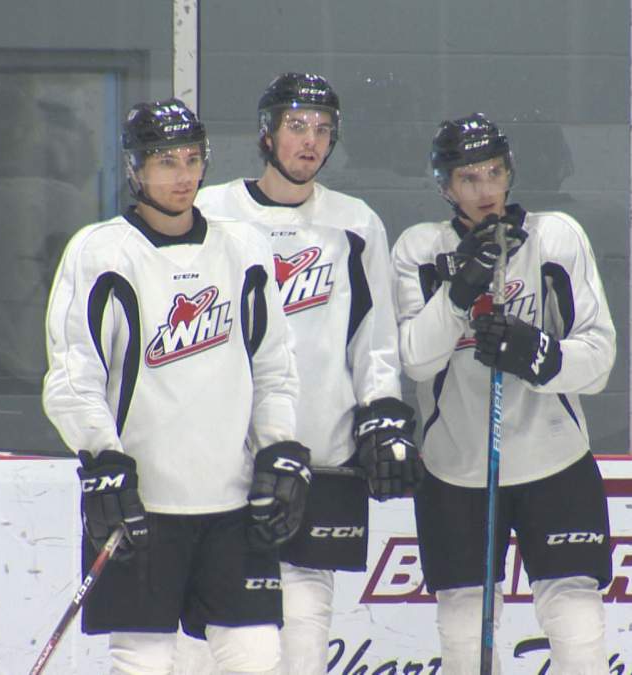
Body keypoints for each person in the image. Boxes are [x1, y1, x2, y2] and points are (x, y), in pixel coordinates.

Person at [42, 98, 310, 675]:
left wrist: (280, 447)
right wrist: (102, 455)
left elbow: (273, 367)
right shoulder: (101, 251)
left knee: (259, 658)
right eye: (166, 161)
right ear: (136, 169)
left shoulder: (242, 248)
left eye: (192, 159)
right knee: (144, 661)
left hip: (235, 502)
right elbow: (72, 378)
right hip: (142, 506)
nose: (183, 175)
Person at [175, 72, 422, 674]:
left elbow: (375, 341)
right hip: (225, 462)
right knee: (213, 647)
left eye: (322, 130)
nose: (310, 141)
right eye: (296, 126)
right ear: (266, 134)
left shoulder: (354, 222)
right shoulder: (213, 213)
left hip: (321, 456)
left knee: (303, 647)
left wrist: (382, 411)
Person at [390, 113, 615, 674]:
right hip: (456, 468)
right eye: (469, 178)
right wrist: (459, 290)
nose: (486, 189)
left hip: (555, 458)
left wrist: (537, 354)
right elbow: (417, 360)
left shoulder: (555, 236)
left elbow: (601, 359)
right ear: (444, 186)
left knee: (577, 621)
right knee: (465, 631)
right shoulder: (420, 250)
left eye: (494, 172)